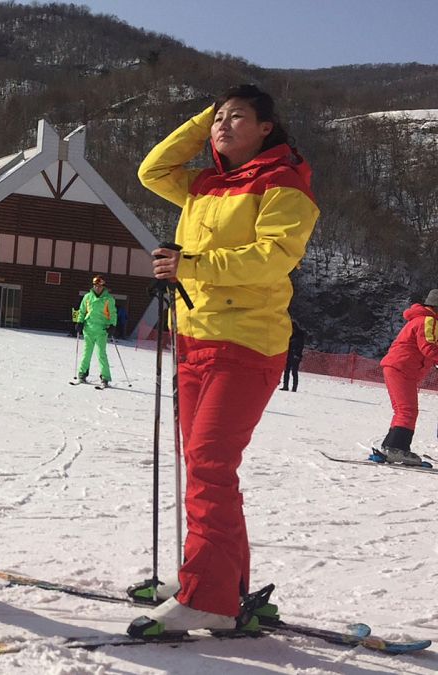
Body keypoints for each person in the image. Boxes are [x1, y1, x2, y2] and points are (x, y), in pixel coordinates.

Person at [131, 84, 319, 636]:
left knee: (210, 467)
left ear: (267, 127)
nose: (223, 126)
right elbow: (152, 170)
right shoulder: (205, 184)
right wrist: (202, 120)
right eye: (219, 119)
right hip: (194, 338)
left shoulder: (283, 183)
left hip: (248, 342)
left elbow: (274, 258)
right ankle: (221, 584)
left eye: (237, 118)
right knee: (208, 471)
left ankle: (208, 594)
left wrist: (191, 265)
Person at [375, 290, 438, 466]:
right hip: (402, 368)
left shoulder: (420, 319)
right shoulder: (429, 320)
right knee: (408, 411)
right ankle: (397, 448)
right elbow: (429, 348)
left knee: (402, 410)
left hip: (397, 367)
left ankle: (391, 447)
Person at [74, 276, 117, 386]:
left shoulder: (108, 299)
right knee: (86, 353)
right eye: (95, 286)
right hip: (88, 329)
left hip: (101, 330)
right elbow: (82, 310)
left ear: (103, 286)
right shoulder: (87, 297)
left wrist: (112, 325)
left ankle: (105, 377)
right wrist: (79, 322)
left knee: (101, 354)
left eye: (99, 286)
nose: (97, 288)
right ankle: (82, 374)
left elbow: (112, 313)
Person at [282, 321, 305, 392]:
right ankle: (285, 386)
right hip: (289, 354)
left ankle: (294, 388)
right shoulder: (290, 334)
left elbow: (300, 346)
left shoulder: (300, 335)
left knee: (294, 372)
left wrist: (297, 354)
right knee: (287, 371)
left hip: (296, 355)